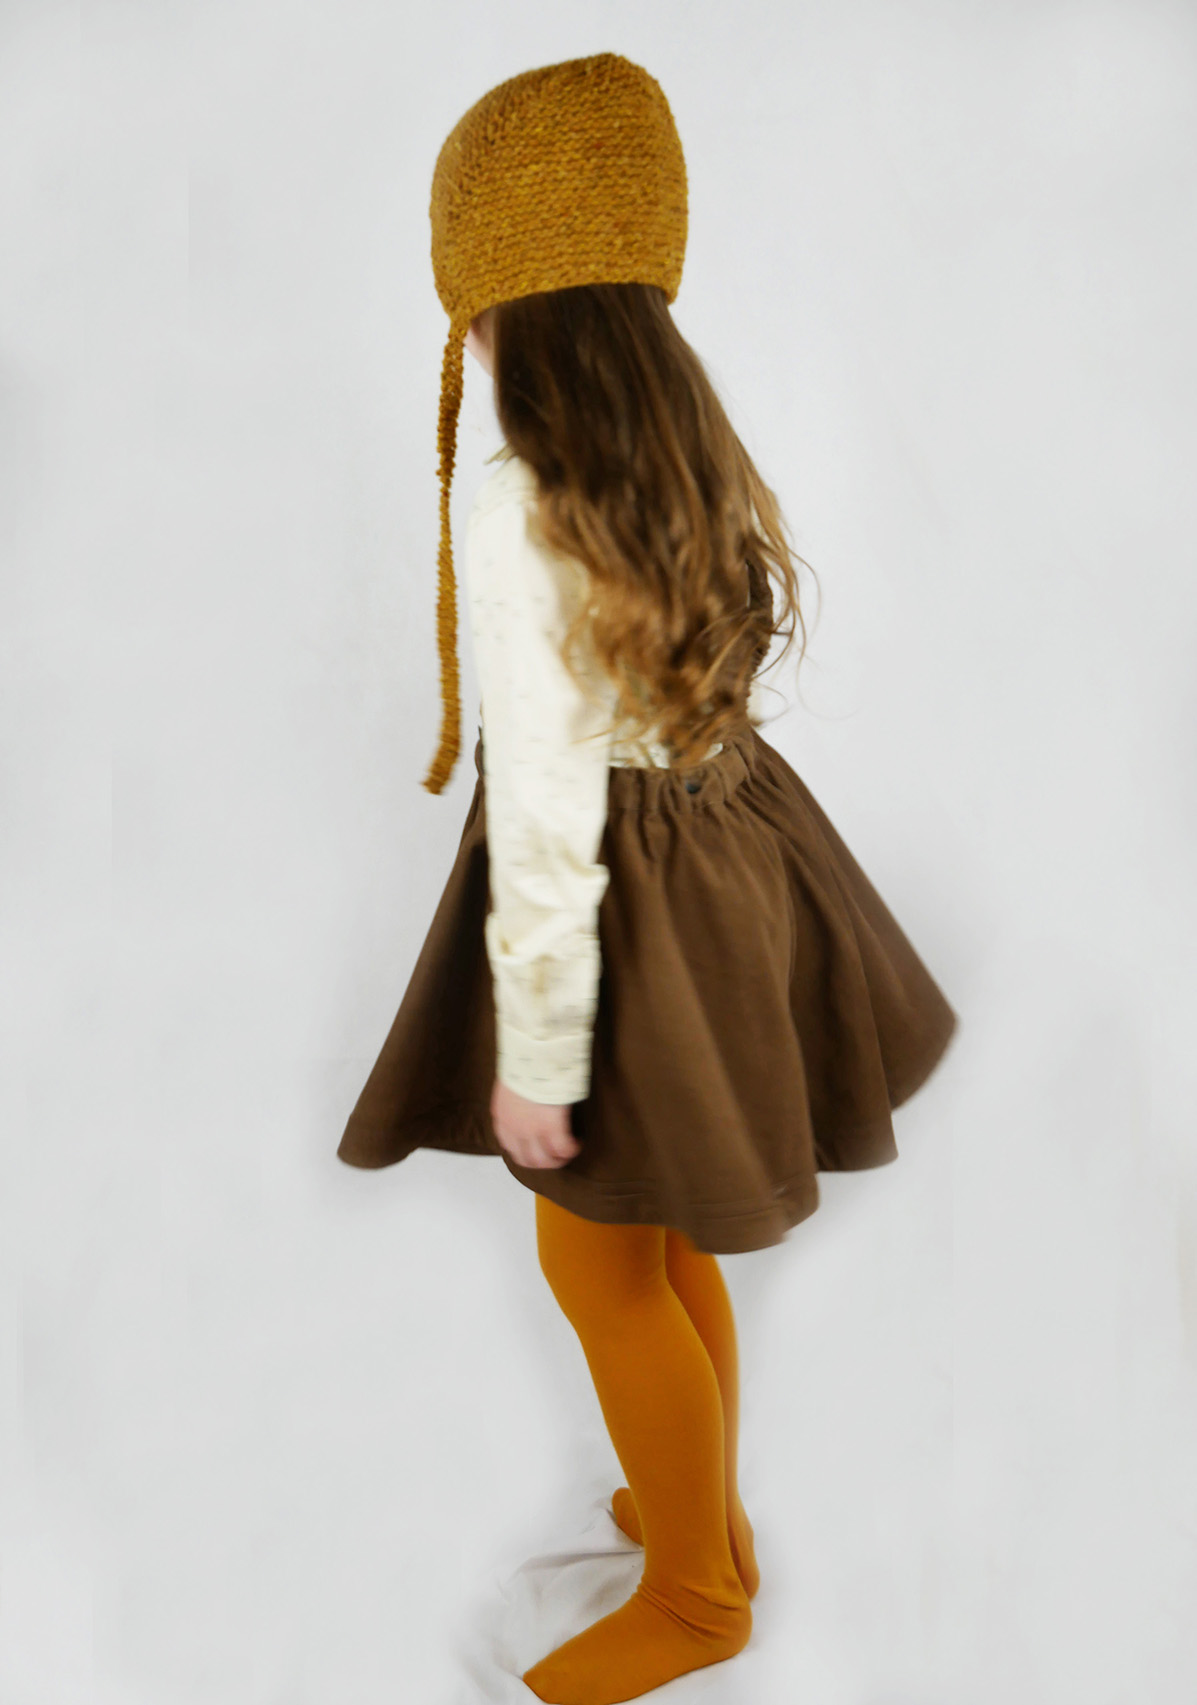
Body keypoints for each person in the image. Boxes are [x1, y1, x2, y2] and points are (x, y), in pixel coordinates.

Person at [336, 52, 959, 1704]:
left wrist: (539, 1060)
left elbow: (548, 813)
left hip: (621, 910)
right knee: (661, 1230)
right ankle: (703, 1521)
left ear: (495, 303)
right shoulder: (678, 445)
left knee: (590, 1256)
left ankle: (692, 1591)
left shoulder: (520, 499)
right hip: (722, 866)